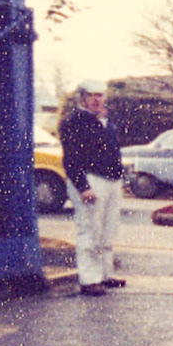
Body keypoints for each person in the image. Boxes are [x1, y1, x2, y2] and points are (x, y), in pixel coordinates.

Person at [60, 79, 125, 295]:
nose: (97, 100)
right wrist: (83, 186)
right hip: (91, 180)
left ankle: (106, 274)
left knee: (108, 230)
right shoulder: (74, 122)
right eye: (92, 96)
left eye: (100, 95)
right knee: (90, 230)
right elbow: (70, 159)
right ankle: (89, 280)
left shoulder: (105, 122)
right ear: (82, 98)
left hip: (111, 181)